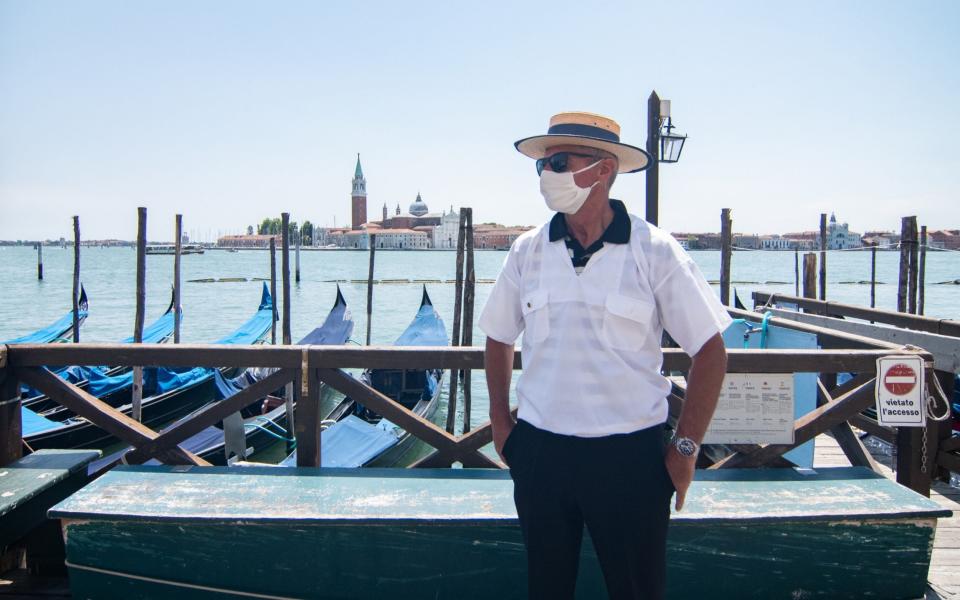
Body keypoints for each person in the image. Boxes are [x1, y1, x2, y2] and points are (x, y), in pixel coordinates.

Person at [479, 112, 731, 600]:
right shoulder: (527, 252)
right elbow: (497, 336)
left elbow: (711, 351)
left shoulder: (655, 251)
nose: (545, 175)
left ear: (603, 169)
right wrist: (501, 427)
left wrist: (685, 449)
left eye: (557, 162)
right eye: (542, 166)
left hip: (630, 461)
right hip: (541, 455)